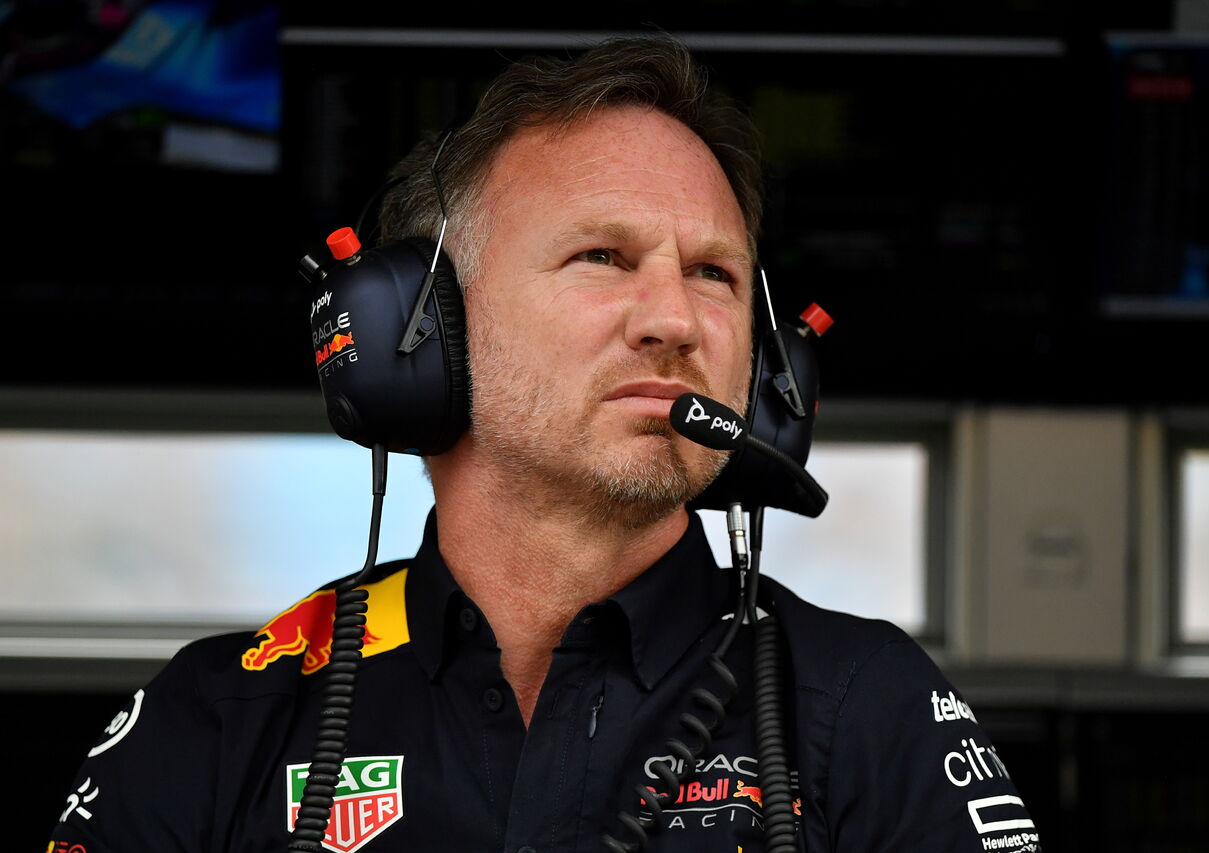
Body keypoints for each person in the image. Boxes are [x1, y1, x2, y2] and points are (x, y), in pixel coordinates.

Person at [49, 36, 1041, 852]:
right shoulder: (217, 716)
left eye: (715, 274)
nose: (674, 320)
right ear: (422, 334)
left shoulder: (868, 704)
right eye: (602, 255)